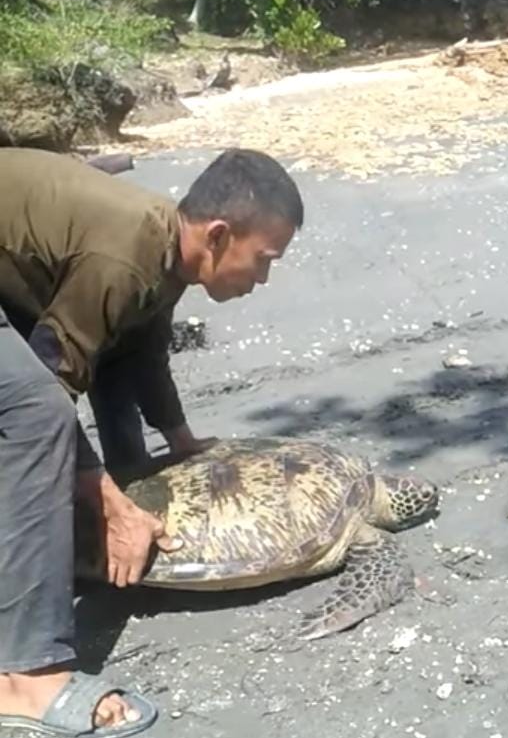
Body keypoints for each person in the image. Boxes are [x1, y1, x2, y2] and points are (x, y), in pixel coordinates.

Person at [0, 146, 304, 736]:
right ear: (218, 235)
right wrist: (112, 505)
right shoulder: (127, 255)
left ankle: (104, 520)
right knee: (32, 412)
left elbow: (141, 353)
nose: (263, 279)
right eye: (264, 260)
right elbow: (51, 384)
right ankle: (26, 677)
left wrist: (181, 441)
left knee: (113, 356)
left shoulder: (166, 252)